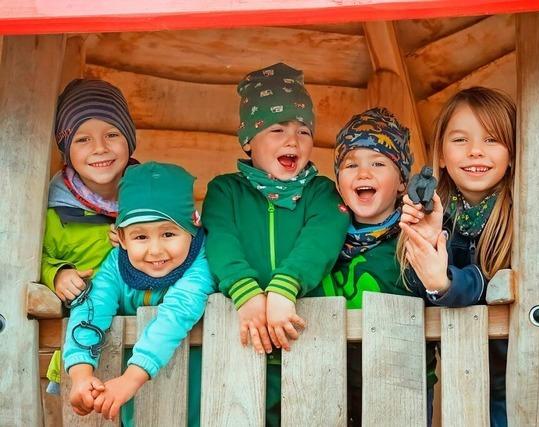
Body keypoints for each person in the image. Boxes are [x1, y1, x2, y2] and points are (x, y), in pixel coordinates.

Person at [201, 62, 350, 426]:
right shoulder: (225, 191)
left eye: (303, 131)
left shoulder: (322, 194)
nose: (292, 140)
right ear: (249, 140)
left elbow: (321, 239)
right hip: (240, 347)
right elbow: (220, 240)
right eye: (277, 129)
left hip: (308, 344)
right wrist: (245, 291)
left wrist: (286, 285)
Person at [63, 162, 214, 426]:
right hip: (136, 402)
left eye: (168, 233)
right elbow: (92, 308)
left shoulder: (201, 264)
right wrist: (80, 372)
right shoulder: (116, 266)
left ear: (192, 227)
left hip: (199, 400)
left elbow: (177, 314)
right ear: (121, 238)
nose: (155, 250)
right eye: (140, 237)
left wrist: (131, 378)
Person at [399, 86, 514, 427]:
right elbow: (408, 281)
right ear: (442, 156)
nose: (476, 151)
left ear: (513, 152)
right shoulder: (434, 211)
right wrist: (428, 237)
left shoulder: (525, 214)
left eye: (492, 140)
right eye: (461, 140)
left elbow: (503, 283)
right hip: (458, 375)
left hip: (517, 374)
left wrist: (446, 282)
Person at [319, 107, 437, 426]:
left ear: (401, 182)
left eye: (378, 163)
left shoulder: (411, 236)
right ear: (339, 181)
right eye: (351, 164)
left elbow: (441, 289)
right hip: (329, 386)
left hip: (400, 385)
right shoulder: (322, 239)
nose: (363, 173)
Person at [42, 78, 137, 394]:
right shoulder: (56, 213)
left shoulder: (151, 196)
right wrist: (57, 274)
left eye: (112, 134)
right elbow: (30, 260)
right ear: (66, 150)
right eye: (83, 139)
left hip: (150, 343)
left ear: (129, 140)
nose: (100, 148)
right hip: (88, 354)